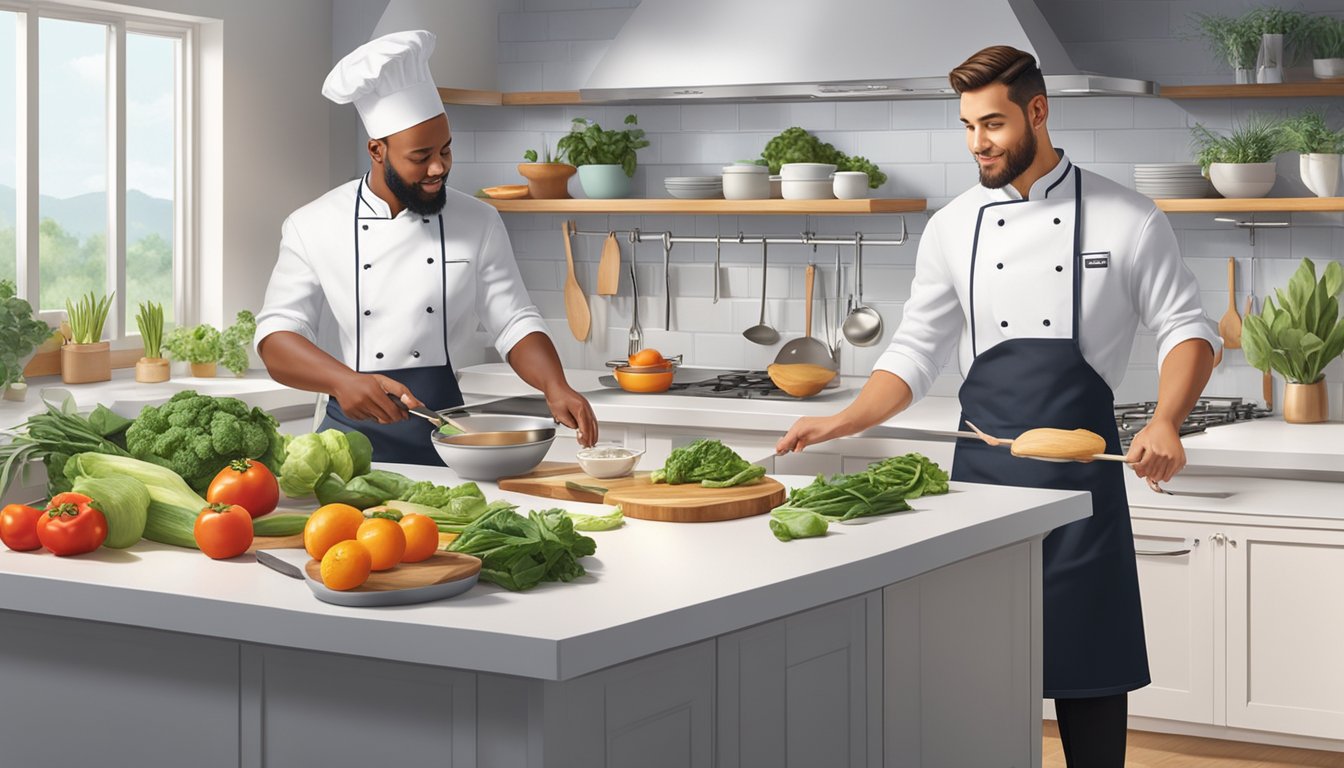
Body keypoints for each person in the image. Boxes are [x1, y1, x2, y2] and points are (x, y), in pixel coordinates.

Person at [776, 46, 1218, 766]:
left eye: (992, 124)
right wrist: (844, 417)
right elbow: (915, 353)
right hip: (982, 478)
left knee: (1090, 668)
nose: (977, 143)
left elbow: (1188, 331)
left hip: (1082, 480)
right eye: (966, 126)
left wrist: (1166, 419)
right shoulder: (953, 227)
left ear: (1037, 113)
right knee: (977, 670)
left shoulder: (1128, 219)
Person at [255, 30, 597, 464]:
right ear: (377, 150)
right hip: (344, 444)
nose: (438, 167)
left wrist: (555, 385)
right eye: (420, 157)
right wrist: (343, 381)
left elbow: (513, 319)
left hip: (444, 435)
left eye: (446, 151)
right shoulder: (313, 224)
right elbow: (276, 336)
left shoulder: (479, 220)